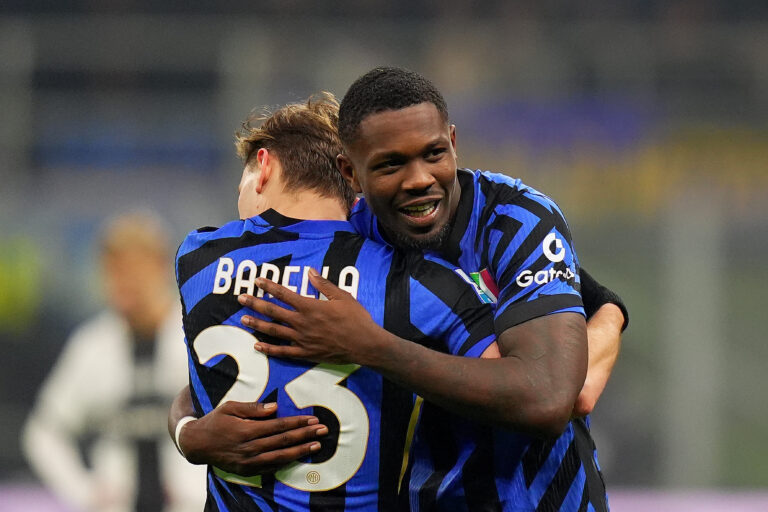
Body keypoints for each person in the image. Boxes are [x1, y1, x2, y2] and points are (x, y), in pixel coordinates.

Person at [171, 69, 628, 511]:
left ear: (453, 143)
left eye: (433, 154)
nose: (419, 178)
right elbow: (242, 362)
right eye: (391, 164)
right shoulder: (353, 237)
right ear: (350, 175)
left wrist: (372, 346)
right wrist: (189, 433)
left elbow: (550, 397)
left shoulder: (514, 221)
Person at [174, 94, 503, 510]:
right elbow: (509, 392)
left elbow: (205, 381)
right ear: (352, 178)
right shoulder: (420, 284)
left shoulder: (198, 258)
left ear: (265, 166)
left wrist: (185, 432)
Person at [22, 212, 206, 512]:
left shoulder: (198, 338)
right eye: (114, 270)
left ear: (161, 267)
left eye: (133, 268)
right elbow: (42, 433)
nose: (123, 281)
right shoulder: (92, 346)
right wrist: (84, 491)